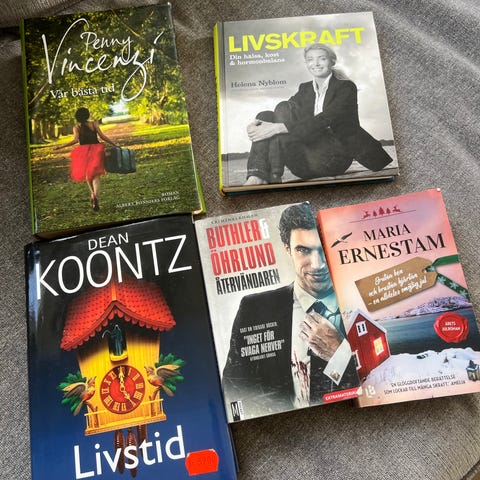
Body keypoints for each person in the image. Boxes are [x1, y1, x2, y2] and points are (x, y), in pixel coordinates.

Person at [222, 203, 358, 418]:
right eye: (303, 250)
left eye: (324, 249)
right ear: (287, 248)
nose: (317, 265)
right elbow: (234, 391)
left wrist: (341, 354)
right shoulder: (253, 308)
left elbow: (382, 383)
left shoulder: (361, 302)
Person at [244, 44, 393, 185]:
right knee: (266, 115)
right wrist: (257, 124)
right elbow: (284, 113)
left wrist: (277, 128)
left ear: (332, 61)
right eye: (310, 59)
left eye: (322, 58)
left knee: (280, 114)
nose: (316, 63)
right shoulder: (305, 89)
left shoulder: (346, 87)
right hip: (303, 161)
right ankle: (257, 175)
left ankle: (274, 175)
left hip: (333, 158)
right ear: (306, 64)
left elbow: (326, 119)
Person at [54, 107, 118, 211]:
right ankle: (96, 197)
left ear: (77, 117)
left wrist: (60, 147)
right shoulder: (94, 124)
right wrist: (114, 144)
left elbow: (75, 140)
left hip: (83, 152)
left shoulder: (77, 127)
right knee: (96, 176)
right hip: (97, 150)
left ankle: (92, 194)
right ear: (87, 115)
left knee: (88, 175)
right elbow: (102, 136)